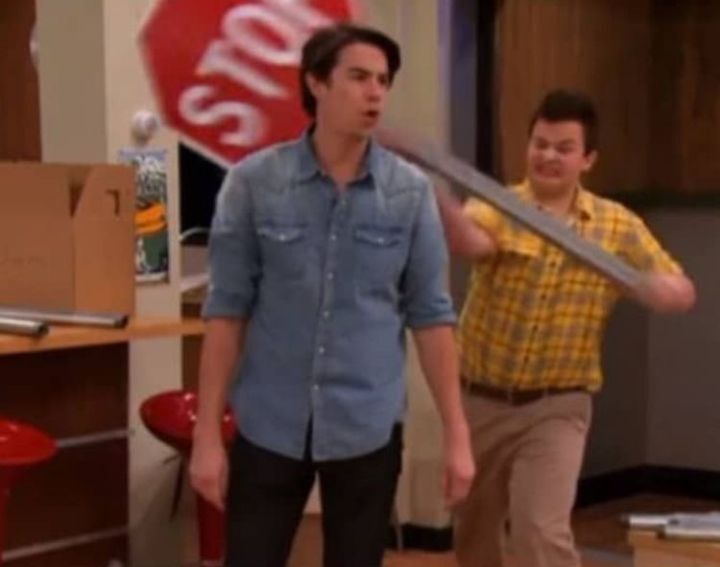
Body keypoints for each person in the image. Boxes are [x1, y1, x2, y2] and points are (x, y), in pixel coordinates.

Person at [188, 23, 475, 567]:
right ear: (316, 83)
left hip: (366, 424)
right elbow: (226, 313)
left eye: (383, 81)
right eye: (359, 77)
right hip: (270, 421)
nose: (375, 94)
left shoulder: (409, 194)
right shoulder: (254, 183)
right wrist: (207, 437)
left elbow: (432, 318)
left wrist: (456, 436)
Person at [439, 89, 696, 567]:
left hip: (559, 406)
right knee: (474, 532)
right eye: (540, 144)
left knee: (541, 530)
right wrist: (435, 198)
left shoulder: (617, 225)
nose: (548, 157)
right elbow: (469, 240)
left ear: (587, 159)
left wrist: (660, 290)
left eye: (563, 148)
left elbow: (681, 289)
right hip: (480, 402)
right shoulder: (499, 205)